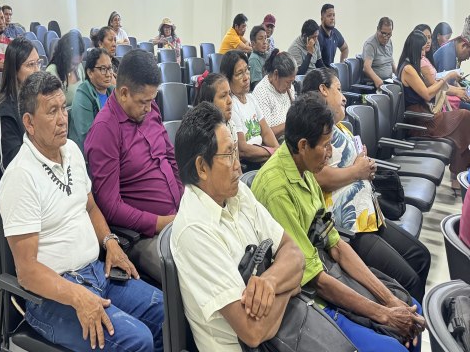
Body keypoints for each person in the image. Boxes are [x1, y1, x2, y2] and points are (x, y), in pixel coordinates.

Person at [0, 71, 163, 352]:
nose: (63, 119)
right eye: (52, 111)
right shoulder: (20, 177)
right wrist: (77, 296)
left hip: (96, 272)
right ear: (29, 123)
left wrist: (110, 242)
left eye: (63, 107)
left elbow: (90, 206)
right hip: (52, 298)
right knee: (137, 340)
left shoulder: (71, 150)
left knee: (163, 311)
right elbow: (26, 271)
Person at [253, 93, 425, 352]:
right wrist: (383, 313)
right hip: (306, 293)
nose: (330, 153)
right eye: (325, 146)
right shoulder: (277, 190)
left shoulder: (304, 169)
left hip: (325, 267)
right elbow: (315, 279)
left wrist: (389, 300)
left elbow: (336, 245)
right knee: (393, 345)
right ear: (303, 145)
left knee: (411, 310)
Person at [171, 102, 305, 351]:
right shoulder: (194, 230)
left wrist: (270, 282)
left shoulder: (237, 192)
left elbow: (295, 254)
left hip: (284, 333)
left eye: (236, 152)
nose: (238, 165)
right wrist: (289, 286)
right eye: (228, 155)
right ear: (202, 167)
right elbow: (252, 332)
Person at [302, 68, 431, 302]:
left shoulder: (341, 127)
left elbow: (355, 166)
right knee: (409, 280)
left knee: (421, 256)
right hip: (350, 225)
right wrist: (357, 171)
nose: (344, 97)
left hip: (370, 213)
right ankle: (409, 319)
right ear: (323, 90)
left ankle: (415, 315)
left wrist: (365, 166)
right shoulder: (313, 133)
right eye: (338, 89)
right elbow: (317, 177)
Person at [85, 49, 183, 283]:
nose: (149, 107)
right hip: (143, 236)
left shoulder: (149, 108)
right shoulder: (105, 130)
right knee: (188, 272)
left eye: (152, 100)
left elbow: (170, 158)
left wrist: (183, 198)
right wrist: (160, 223)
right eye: (143, 102)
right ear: (124, 93)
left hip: (178, 216)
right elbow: (110, 206)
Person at [398, 30, 470, 190]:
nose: (424, 54)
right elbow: (427, 93)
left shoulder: (411, 66)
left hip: (425, 114)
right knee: (465, 116)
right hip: (420, 120)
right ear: (415, 48)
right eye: (422, 50)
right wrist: (446, 78)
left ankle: (458, 173)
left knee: (463, 123)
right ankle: (458, 172)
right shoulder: (408, 69)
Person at [0, 37, 41, 184]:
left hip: (41, 178)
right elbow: (9, 166)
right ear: (15, 70)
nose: (37, 70)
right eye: (30, 65)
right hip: (17, 185)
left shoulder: (39, 102)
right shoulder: (1, 112)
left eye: (38, 63)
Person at [220, 50, 278, 167]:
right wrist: (273, 152)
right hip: (249, 163)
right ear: (228, 79)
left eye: (247, 70)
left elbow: (266, 131)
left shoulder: (251, 98)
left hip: (263, 154)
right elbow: (242, 149)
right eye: (239, 73)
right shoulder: (231, 104)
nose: (246, 77)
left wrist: (278, 149)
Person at [68, 48, 115, 153]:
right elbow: (88, 137)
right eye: (103, 69)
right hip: (89, 154)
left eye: (110, 68)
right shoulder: (83, 94)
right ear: (90, 73)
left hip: (111, 147)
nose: (108, 74)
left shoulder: (112, 92)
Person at [416, 23, 469, 111]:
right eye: (425, 38)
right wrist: (453, 84)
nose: (428, 41)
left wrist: (460, 90)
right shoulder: (422, 62)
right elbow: (435, 86)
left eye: (429, 37)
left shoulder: (425, 59)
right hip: (434, 102)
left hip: (439, 97)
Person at [252, 50, 296, 140]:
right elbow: (265, 134)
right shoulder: (261, 92)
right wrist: (291, 123)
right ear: (276, 74)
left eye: (292, 82)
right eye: (288, 82)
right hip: (274, 143)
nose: (290, 86)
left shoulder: (289, 88)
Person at [193, 72, 237, 144]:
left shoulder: (231, 124)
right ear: (209, 103)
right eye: (223, 96)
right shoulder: (202, 134)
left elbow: (235, 151)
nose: (230, 101)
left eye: (230, 94)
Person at [45, 30, 86, 107]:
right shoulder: (52, 72)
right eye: (73, 64)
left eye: (78, 63)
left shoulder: (79, 66)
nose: (76, 67)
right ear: (64, 58)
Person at [362, 17, 397, 90]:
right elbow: (366, 68)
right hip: (375, 84)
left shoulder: (389, 42)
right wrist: (377, 80)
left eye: (389, 34)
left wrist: (398, 75)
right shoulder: (370, 44)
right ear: (378, 29)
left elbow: (391, 60)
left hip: (389, 81)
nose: (386, 37)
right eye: (383, 33)